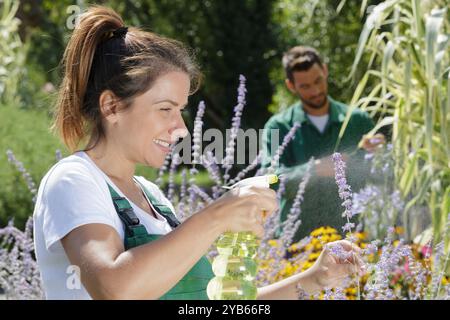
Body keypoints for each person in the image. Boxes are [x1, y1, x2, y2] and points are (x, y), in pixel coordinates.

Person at [33, 7, 363, 300]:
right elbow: (114, 289)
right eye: (165, 109)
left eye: (181, 111)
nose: (181, 128)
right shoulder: (74, 180)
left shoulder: (153, 198)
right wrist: (217, 215)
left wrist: (315, 279)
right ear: (112, 106)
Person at [262, 46, 385, 243]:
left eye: (318, 81)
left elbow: (383, 174)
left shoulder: (358, 121)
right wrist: (315, 170)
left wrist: (381, 155)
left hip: (352, 241)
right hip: (296, 246)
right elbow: (269, 182)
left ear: (325, 71)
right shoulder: (278, 126)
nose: (316, 90)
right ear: (291, 85)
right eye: (305, 86)